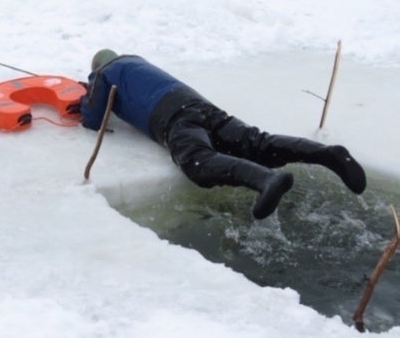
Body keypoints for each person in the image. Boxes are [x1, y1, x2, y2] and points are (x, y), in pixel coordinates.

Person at [79, 50, 366, 220]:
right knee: (257, 142)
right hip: (198, 103)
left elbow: (92, 118)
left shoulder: (105, 73)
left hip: (172, 117)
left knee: (197, 161)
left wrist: (88, 92)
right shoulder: (136, 62)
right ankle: (326, 154)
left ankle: (266, 180)